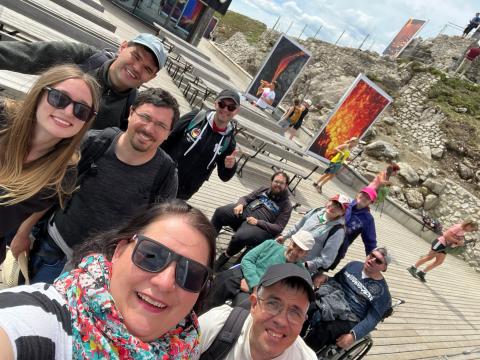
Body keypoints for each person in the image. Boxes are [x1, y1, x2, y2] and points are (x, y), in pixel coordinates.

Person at [0, 201, 215, 359]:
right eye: (151, 255)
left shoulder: (188, 347)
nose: (165, 282)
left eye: (191, 273)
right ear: (119, 251)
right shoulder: (41, 320)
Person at [10, 88, 179, 283]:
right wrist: (23, 233)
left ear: (168, 133)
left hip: (101, 274)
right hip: (53, 250)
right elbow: (53, 191)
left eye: (160, 125)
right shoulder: (94, 142)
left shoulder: (165, 175)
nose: (149, 129)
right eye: (145, 117)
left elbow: (154, 233)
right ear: (131, 113)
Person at [0, 64, 100, 265]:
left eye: (82, 110)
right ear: (39, 94)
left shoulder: (61, 176)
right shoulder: (2, 116)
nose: (69, 111)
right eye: (59, 98)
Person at [0, 33, 166, 130]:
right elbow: (28, 55)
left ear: (151, 78)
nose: (137, 68)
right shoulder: (84, 58)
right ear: (122, 48)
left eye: (147, 69)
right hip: (25, 133)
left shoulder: (133, 109)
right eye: (135, 56)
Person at [198, 263, 317, 359]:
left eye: (295, 313)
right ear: (254, 304)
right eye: (273, 304)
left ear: (303, 321)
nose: (281, 321)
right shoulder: (215, 325)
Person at [303, 247, 392, 351]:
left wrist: (353, 336)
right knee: (306, 307)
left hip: (351, 316)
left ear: (384, 267)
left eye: (378, 261)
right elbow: (336, 280)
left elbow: (372, 319)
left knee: (324, 330)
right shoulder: (354, 265)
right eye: (372, 255)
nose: (372, 260)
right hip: (334, 297)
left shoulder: (383, 293)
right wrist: (326, 278)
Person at [204, 230, 315, 312]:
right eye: (294, 245)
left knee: (243, 308)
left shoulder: (300, 272)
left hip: (263, 295)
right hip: (246, 277)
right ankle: (201, 312)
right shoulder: (270, 245)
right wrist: (255, 284)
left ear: (306, 254)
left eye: (300, 250)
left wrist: (257, 290)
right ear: (290, 242)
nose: (295, 251)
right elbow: (247, 260)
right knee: (223, 280)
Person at [161, 89, 239, 200]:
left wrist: (230, 167)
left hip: (185, 191)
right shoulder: (195, 117)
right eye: (222, 104)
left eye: (231, 107)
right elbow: (166, 138)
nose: (225, 109)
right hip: (163, 175)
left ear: (236, 111)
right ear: (216, 103)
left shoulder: (229, 141)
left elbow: (224, 176)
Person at [211, 171, 293, 271]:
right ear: (272, 181)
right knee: (220, 212)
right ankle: (208, 242)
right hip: (246, 212)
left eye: (282, 183)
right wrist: (241, 204)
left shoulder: (287, 205)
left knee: (240, 237)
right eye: (276, 181)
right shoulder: (264, 189)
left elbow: (278, 227)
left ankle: (226, 255)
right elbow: (245, 198)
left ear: (286, 185)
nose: (278, 185)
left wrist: (258, 222)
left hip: (259, 226)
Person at [277, 194, 348, 278]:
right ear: (329, 202)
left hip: (300, 266)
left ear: (343, 213)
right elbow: (298, 226)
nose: (333, 207)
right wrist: (285, 236)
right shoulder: (316, 211)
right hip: (289, 252)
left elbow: (326, 259)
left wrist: (307, 265)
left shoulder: (338, 231)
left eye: (339, 207)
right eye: (333, 203)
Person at [407, 219, 478, 282]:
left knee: (439, 262)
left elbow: (457, 238)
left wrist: (461, 242)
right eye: (472, 229)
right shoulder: (458, 228)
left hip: (446, 247)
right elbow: (446, 235)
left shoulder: (462, 230)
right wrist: (457, 241)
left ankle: (422, 273)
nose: (471, 231)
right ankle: (413, 268)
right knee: (429, 257)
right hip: (440, 243)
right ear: (468, 225)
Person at [331, 187, 378, 270]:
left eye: (368, 198)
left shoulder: (368, 219)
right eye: (363, 194)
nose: (364, 198)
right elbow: (328, 210)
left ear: (371, 202)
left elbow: (370, 241)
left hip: (337, 249)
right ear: (358, 194)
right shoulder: (345, 202)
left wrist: (374, 259)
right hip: (322, 238)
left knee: (319, 272)